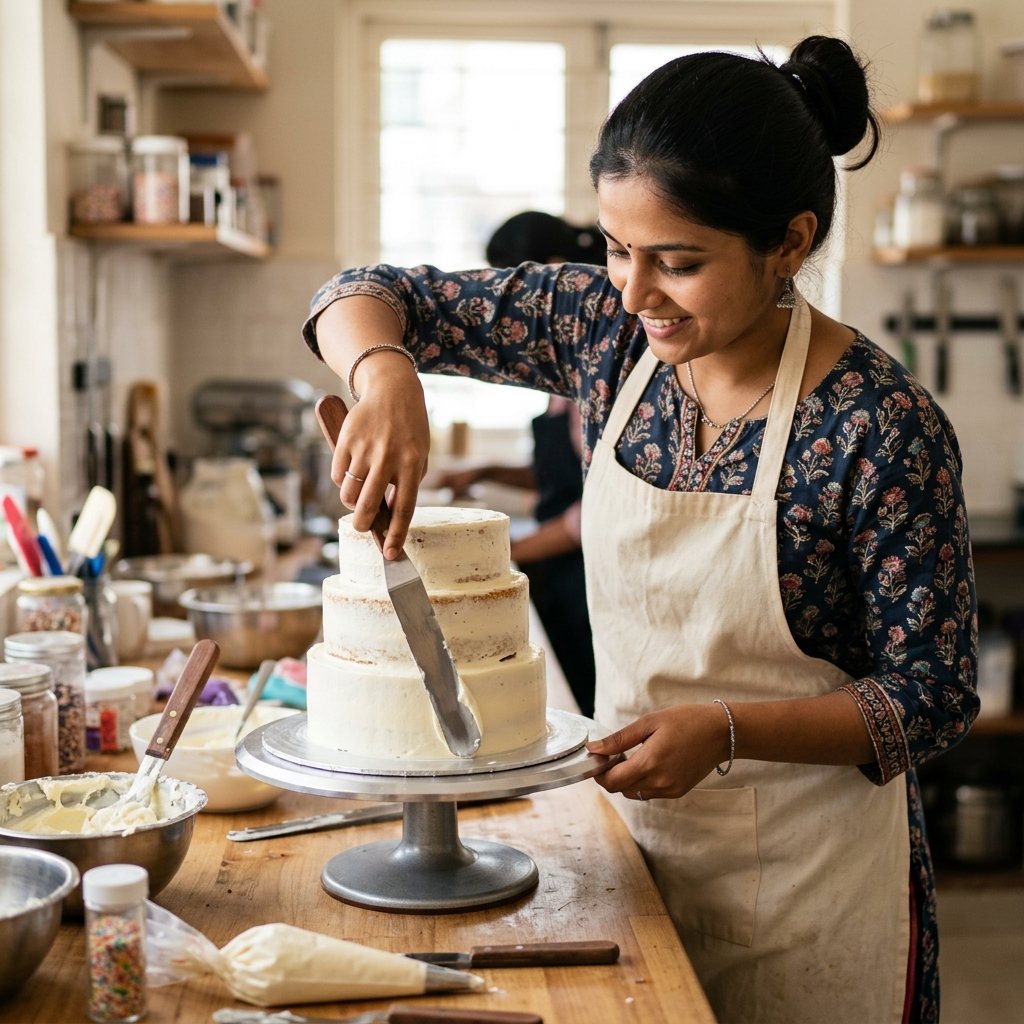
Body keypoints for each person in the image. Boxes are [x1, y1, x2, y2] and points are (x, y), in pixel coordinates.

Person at [302, 36, 978, 1024]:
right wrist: (384, 376)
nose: (632, 289)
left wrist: (729, 730)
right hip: (626, 851)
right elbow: (360, 294)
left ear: (788, 243)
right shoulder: (602, 333)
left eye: (678, 262)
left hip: (814, 887)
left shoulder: (878, 427)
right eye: (618, 249)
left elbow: (932, 698)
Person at [438, 211, 603, 716]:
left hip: (583, 580)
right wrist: (486, 471)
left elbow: (596, 508)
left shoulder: (596, 369)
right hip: (557, 570)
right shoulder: (567, 372)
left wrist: (507, 553)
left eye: (510, 284)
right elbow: (560, 473)